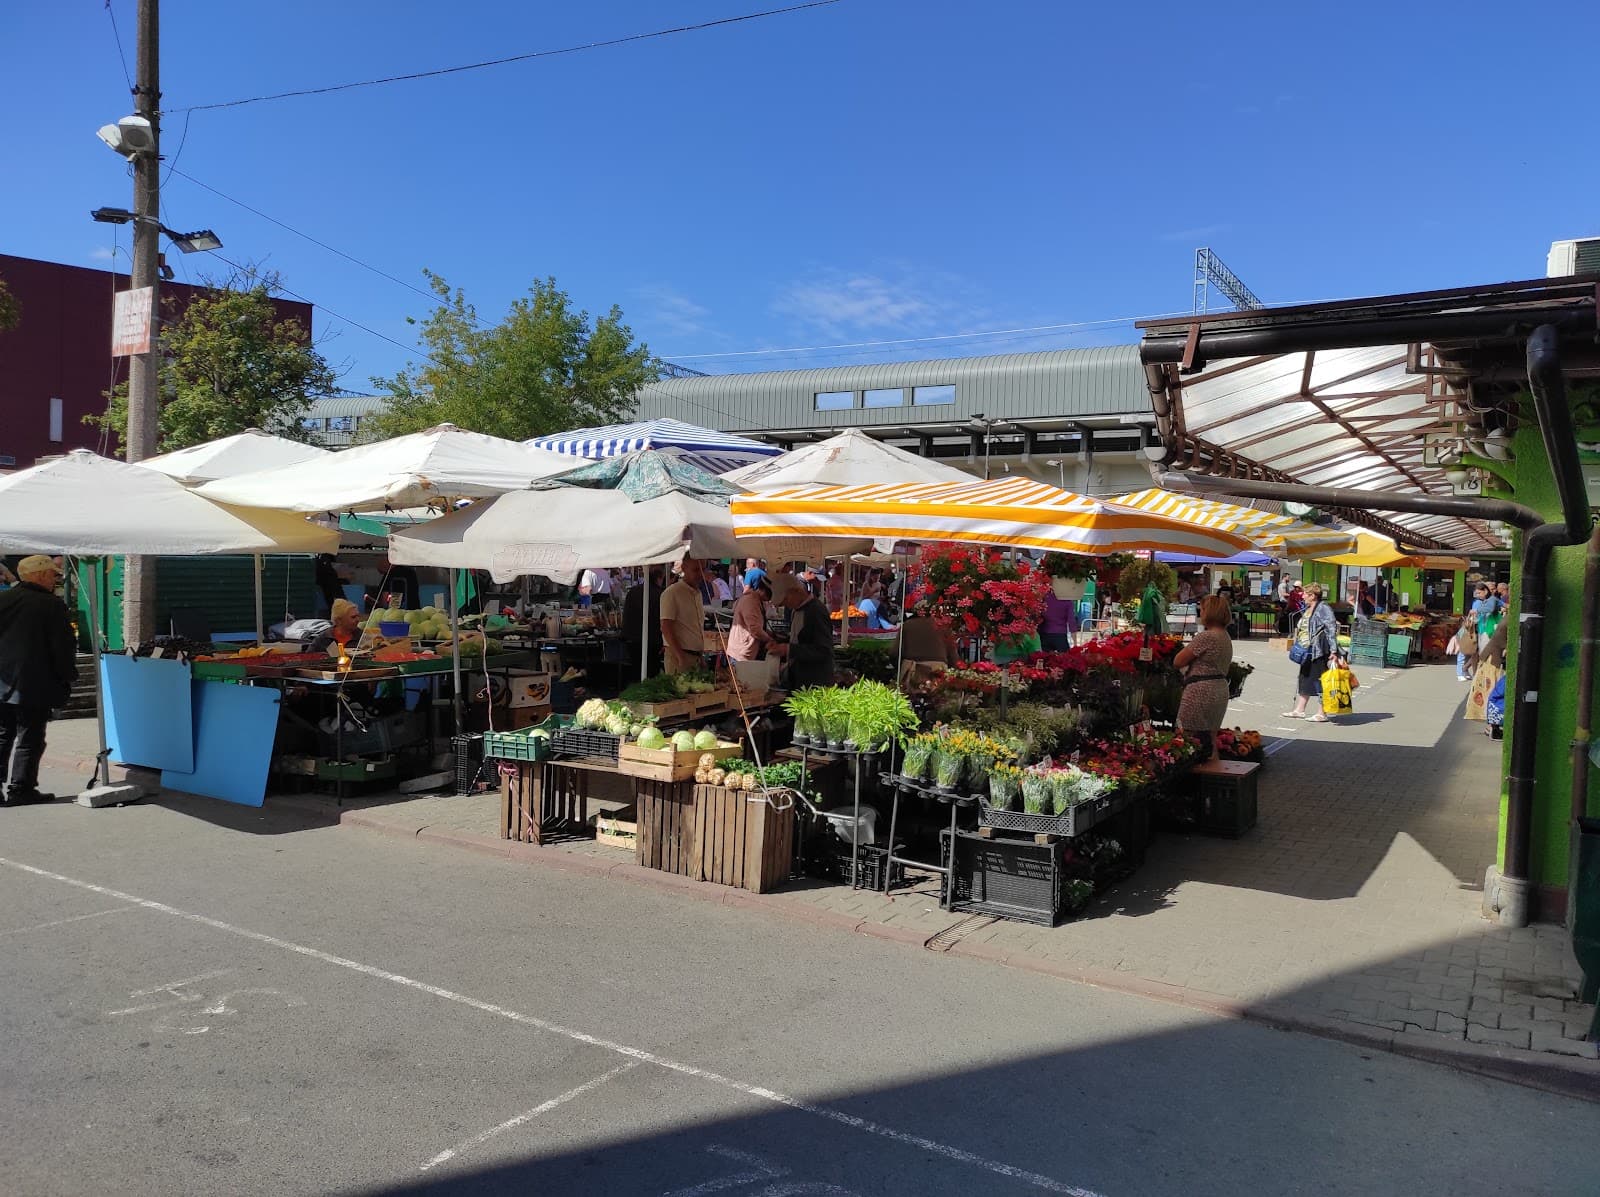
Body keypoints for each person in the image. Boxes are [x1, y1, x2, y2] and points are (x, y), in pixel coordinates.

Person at [0, 556, 77, 805]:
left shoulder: (4, 599)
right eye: (53, 575)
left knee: (3, 734)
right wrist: (67, 675)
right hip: (34, 682)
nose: (56, 579)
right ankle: (21, 788)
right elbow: (62, 647)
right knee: (30, 737)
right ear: (41, 575)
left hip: (2, 681)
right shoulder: (50, 605)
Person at [1175, 594, 1233, 760]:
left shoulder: (1207, 636)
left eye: (1203, 610)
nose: (1201, 613)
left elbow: (1178, 660)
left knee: (1186, 736)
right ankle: (1213, 772)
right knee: (1211, 738)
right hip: (1219, 689)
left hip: (1200, 690)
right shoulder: (1225, 636)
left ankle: (1191, 777)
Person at [768, 572, 834, 689]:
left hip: (814, 683)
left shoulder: (816, 611)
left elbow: (823, 650)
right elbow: (799, 639)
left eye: (786, 600)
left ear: (796, 591)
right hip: (798, 680)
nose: (786, 605)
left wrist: (788, 649)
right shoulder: (796, 610)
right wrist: (779, 642)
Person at [1283, 582, 1339, 722]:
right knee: (1305, 678)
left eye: (1305, 594)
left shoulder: (1323, 608)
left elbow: (1331, 629)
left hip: (1319, 650)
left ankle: (1322, 713)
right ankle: (1299, 710)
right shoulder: (1309, 608)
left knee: (1320, 680)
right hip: (1307, 650)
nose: (1302, 596)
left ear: (1313, 596)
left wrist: (1333, 650)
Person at [660, 558, 709, 674]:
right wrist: (680, 656)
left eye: (703, 570)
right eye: (696, 570)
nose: (700, 574)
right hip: (679, 657)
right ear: (683, 569)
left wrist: (700, 656)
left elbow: (695, 628)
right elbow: (666, 627)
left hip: (695, 657)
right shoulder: (672, 593)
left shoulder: (698, 593)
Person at [622, 566, 665, 677]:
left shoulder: (633, 591)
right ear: (659, 578)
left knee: (637, 671)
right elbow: (661, 620)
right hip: (651, 641)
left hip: (632, 639)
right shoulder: (660, 595)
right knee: (651, 672)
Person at [725, 575, 775, 662]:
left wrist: (772, 634)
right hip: (741, 653)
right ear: (763, 591)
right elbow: (755, 629)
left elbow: (757, 625)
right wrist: (770, 640)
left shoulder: (756, 600)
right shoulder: (750, 602)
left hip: (745, 650)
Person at [900, 603, 959, 668]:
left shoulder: (907, 625)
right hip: (938, 670)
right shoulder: (943, 626)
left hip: (912, 670)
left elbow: (895, 652)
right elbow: (952, 655)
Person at [1469, 582, 1501, 653]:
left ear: (1485, 591)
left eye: (1479, 593)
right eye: (1476, 593)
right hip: (1483, 629)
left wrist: (1476, 611)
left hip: (1488, 630)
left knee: (1485, 653)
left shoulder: (1492, 599)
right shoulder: (1482, 601)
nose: (1477, 595)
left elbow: (1490, 609)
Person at [1040, 586, 1075, 652]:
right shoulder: (1067, 601)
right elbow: (1071, 621)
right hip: (1060, 635)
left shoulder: (1045, 598)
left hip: (1045, 634)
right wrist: (1075, 642)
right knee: (1065, 659)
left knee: (1046, 659)